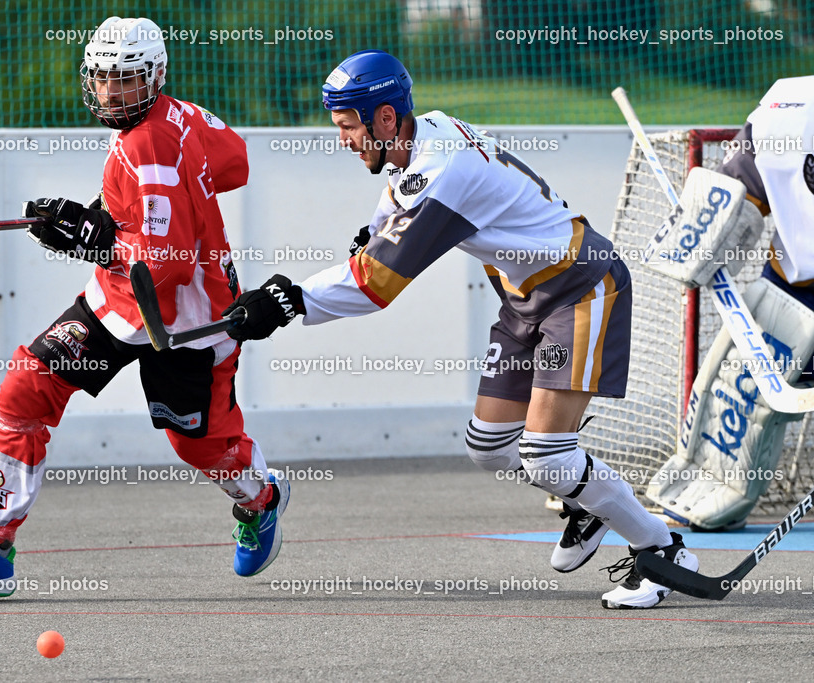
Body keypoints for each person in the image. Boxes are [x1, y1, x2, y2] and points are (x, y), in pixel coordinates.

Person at [223, 49, 696, 609]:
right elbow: (398, 195)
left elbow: (376, 284)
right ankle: (587, 501)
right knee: (490, 448)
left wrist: (289, 301)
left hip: (580, 286)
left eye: (348, 127)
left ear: (384, 119)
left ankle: (665, 551)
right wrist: (374, 230)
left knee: (547, 454)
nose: (343, 140)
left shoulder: (442, 168)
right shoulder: (427, 133)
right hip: (526, 299)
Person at [0, 17, 289, 596]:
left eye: (127, 80)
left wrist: (94, 237)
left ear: (156, 76)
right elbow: (234, 160)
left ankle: (261, 499)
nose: (113, 92)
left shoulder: (150, 145)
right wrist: (98, 214)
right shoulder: (183, 115)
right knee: (26, 387)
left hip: (186, 320)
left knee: (199, 445)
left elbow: (161, 263)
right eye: (104, 78)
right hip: (120, 303)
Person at [644, 75, 814, 531]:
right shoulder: (788, 110)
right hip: (791, 293)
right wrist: (703, 233)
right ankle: (705, 490)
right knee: (735, 396)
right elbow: (738, 194)